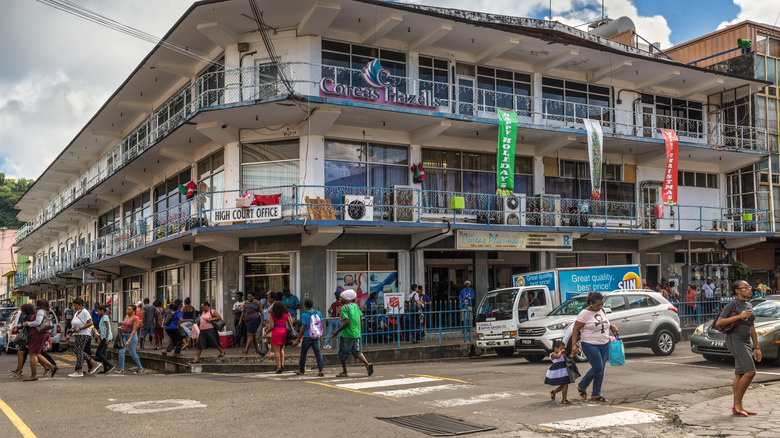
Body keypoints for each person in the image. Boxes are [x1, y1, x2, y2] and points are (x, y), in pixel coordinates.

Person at [715, 280, 761, 416]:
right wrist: (739, 316)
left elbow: (751, 326)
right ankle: (738, 405)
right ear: (737, 291)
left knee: (740, 373)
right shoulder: (732, 304)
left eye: (749, 286)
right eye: (745, 287)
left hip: (746, 341)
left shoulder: (748, 304)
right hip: (735, 340)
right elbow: (719, 321)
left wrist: (757, 347)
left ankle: (737, 406)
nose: (749, 289)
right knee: (750, 371)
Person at [571, 292, 618, 403]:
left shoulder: (602, 311)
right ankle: (582, 385)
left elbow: (603, 323)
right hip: (590, 344)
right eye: (597, 305)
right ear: (591, 303)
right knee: (598, 367)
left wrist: (612, 326)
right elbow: (575, 329)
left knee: (601, 370)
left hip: (604, 343)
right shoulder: (584, 314)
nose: (600, 307)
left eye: (602, 304)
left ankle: (596, 394)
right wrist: (573, 345)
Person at [331, 289, 373, 378]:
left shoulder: (344, 308)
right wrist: (359, 329)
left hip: (347, 335)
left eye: (341, 297)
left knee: (342, 354)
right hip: (356, 333)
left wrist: (336, 331)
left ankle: (344, 371)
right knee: (357, 351)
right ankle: (367, 364)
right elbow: (361, 318)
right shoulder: (355, 306)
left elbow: (346, 322)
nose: (340, 299)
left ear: (346, 298)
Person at [21, 299, 57, 381]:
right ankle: (52, 367)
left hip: (38, 334)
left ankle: (34, 375)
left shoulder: (40, 311)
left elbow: (38, 322)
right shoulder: (46, 311)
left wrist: (28, 323)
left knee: (33, 354)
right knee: (36, 353)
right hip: (40, 334)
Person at [67, 297, 102, 377]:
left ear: (80, 305)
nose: (74, 307)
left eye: (75, 305)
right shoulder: (76, 313)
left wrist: (80, 328)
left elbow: (90, 323)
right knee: (77, 351)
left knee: (79, 351)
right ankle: (93, 363)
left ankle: (80, 371)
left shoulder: (85, 312)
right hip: (77, 334)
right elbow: (74, 324)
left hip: (84, 334)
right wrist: (69, 335)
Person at [292, 298, 325, 376]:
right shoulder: (318, 313)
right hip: (316, 336)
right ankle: (321, 369)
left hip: (307, 336)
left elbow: (303, 327)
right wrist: (320, 335)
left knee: (303, 354)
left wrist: (298, 338)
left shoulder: (304, 315)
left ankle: (301, 370)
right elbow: (321, 325)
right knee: (318, 353)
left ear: (305, 306)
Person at [116, 304, 144, 374]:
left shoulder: (135, 318)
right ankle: (121, 369)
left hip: (131, 336)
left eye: (129, 309)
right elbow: (125, 326)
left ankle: (140, 367)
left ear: (133, 311)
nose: (127, 310)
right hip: (124, 335)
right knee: (121, 351)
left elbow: (134, 330)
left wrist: (129, 340)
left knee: (132, 352)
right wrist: (121, 328)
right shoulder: (126, 317)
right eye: (127, 309)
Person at [546, 340, 573, 405]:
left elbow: (569, 359)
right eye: (561, 349)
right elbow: (557, 356)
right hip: (557, 372)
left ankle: (554, 392)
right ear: (555, 348)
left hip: (564, 371)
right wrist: (561, 352)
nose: (563, 350)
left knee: (564, 385)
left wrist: (573, 353)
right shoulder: (553, 354)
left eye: (564, 349)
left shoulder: (563, 354)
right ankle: (564, 399)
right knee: (564, 385)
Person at [267, 300, 291, 373]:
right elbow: (291, 323)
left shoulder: (273, 315)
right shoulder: (287, 314)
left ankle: (278, 367)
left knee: (276, 350)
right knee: (282, 349)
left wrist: (266, 333)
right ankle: (282, 364)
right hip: (284, 331)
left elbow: (271, 326)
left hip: (276, 332)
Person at [94, 305, 114, 374]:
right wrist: (99, 337)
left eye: (98, 311)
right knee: (103, 353)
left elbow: (108, 327)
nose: (97, 312)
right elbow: (102, 329)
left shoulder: (105, 317)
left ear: (102, 310)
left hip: (106, 337)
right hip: (103, 337)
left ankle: (110, 365)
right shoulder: (102, 318)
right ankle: (105, 369)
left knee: (98, 353)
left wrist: (107, 338)